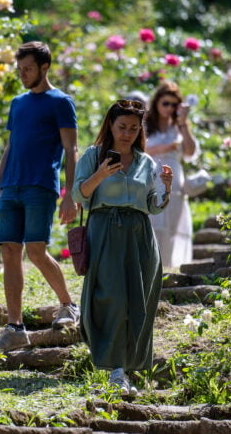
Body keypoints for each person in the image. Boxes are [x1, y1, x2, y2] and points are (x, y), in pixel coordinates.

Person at [71, 99, 173, 396]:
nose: (126, 133)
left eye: (133, 128)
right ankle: (114, 367)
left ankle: (126, 370)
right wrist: (101, 174)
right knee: (111, 297)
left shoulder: (146, 162)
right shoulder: (94, 155)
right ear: (110, 126)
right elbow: (80, 193)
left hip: (140, 235)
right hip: (105, 230)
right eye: (121, 127)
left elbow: (152, 206)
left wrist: (166, 188)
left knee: (139, 302)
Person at [0, 41, 80, 353]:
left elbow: (71, 149)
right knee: (9, 253)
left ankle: (68, 305)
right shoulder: (18, 103)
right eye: (19, 69)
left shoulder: (61, 102)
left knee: (36, 251)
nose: (22, 75)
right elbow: (10, 147)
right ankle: (15, 327)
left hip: (40, 186)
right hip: (11, 188)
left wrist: (71, 194)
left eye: (27, 69)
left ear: (44, 67)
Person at [143, 81, 199, 267]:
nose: (169, 108)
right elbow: (137, 152)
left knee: (173, 229)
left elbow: (190, 152)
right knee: (154, 226)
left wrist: (184, 124)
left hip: (175, 185)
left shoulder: (179, 127)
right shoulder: (146, 125)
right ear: (157, 102)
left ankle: (169, 268)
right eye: (165, 103)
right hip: (151, 181)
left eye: (174, 104)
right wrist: (163, 148)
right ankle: (152, 267)